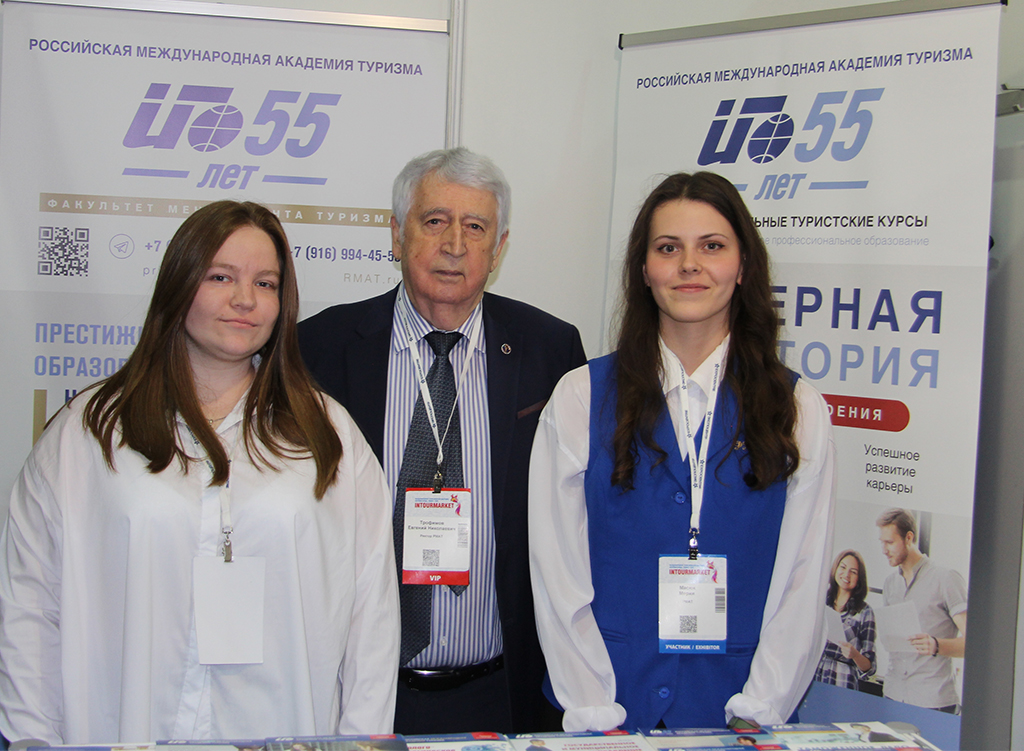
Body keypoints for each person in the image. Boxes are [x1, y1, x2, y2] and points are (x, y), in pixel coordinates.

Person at [0, 201, 400, 744]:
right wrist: (32, 739)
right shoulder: (90, 431)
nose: (245, 299)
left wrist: (361, 742)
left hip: (286, 732)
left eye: (265, 283)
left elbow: (371, 614)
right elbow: (30, 605)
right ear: (179, 284)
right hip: (124, 730)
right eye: (220, 277)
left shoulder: (328, 435)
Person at [529, 171, 836, 731]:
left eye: (712, 246)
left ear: (743, 266)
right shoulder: (580, 396)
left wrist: (761, 707)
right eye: (668, 248)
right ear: (644, 269)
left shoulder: (797, 408)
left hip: (740, 717)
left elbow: (803, 577)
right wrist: (593, 708)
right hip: (608, 715)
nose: (689, 265)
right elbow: (556, 572)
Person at [298, 147, 586, 734]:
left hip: (503, 693)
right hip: (359, 692)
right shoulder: (319, 349)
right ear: (397, 235)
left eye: (475, 227)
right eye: (434, 221)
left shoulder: (550, 351)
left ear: (498, 249)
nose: (455, 244)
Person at [876, 508, 967, 712]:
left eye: (889, 542)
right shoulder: (890, 584)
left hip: (932, 701)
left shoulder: (946, 578)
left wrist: (936, 645)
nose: (884, 550)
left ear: (909, 538)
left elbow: (974, 644)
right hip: (893, 695)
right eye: (881, 542)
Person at [814, 550, 876, 690]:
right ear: (835, 568)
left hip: (843, 680)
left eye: (853, 572)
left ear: (859, 578)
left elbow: (869, 667)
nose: (846, 574)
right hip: (815, 674)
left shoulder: (865, 612)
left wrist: (855, 655)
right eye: (843, 567)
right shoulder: (820, 600)